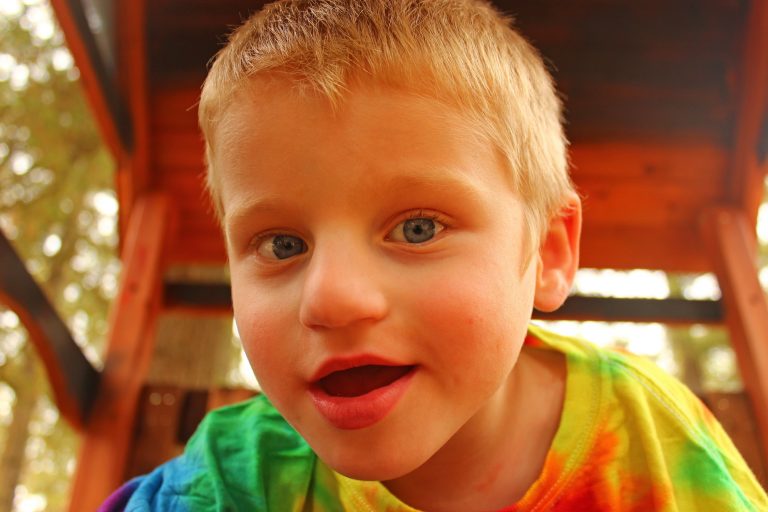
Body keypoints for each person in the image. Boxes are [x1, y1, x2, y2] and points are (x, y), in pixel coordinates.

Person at [100, 0, 768, 510]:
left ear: (548, 249)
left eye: (418, 228)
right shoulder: (234, 481)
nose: (330, 297)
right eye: (282, 245)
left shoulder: (653, 438)